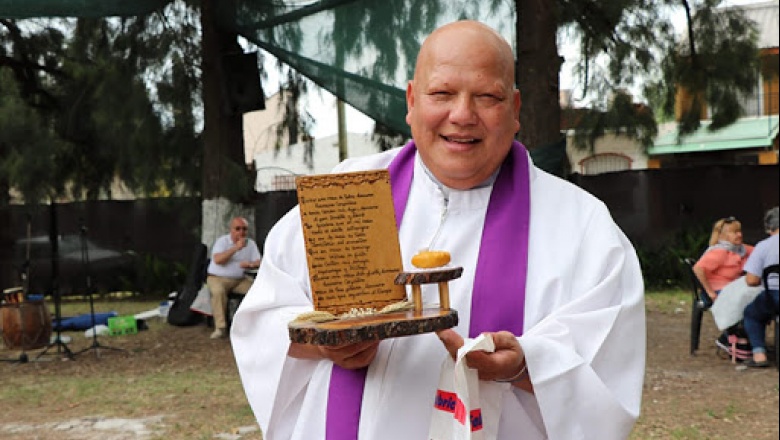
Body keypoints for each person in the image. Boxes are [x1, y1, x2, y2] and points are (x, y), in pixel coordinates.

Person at [231, 20, 645, 439]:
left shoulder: (581, 225)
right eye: (442, 94)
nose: (462, 115)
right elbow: (263, 317)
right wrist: (322, 342)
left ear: (516, 109)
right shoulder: (345, 193)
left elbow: (606, 362)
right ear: (412, 100)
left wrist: (525, 364)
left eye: (487, 96)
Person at [206, 216, 261, 339]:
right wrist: (236, 248)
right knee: (218, 292)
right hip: (217, 278)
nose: (241, 232)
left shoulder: (250, 244)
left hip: (239, 279)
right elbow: (218, 260)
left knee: (257, 290)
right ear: (231, 230)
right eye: (238, 229)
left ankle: (253, 324)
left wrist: (250, 264)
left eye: (244, 229)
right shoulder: (222, 241)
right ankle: (220, 328)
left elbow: (259, 261)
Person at [741, 207, 779, 368]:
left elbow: (751, 280)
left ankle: (759, 354)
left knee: (751, 313)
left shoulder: (763, 246)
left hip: (774, 297)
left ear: (769, 227)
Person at [693, 216, 754, 304]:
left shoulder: (739, 249)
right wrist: (710, 292)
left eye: (739, 231)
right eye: (735, 232)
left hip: (733, 288)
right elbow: (697, 269)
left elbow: (760, 251)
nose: (739, 235)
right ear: (722, 236)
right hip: (718, 291)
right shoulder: (719, 252)